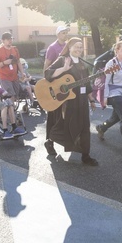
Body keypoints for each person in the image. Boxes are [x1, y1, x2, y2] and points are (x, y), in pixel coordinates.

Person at [44, 37, 98, 166]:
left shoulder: (82, 63)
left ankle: (86, 156)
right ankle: (50, 140)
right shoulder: (63, 60)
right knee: (65, 126)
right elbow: (47, 74)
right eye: (76, 46)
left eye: (80, 47)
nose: (79, 49)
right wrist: (63, 69)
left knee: (85, 127)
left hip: (81, 100)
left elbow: (87, 82)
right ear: (69, 47)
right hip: (67, 101)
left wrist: (91, 99)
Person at [42, 25, 70, 155]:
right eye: (63, 33)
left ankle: (67, 139)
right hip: (54, 84)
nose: (65, 35)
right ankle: (50, 141)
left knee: (67, 113)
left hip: (66, 85)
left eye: (66, 33)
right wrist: (46, 84)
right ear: (58, 34)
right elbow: (47, 66)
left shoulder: (68, 46)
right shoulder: (53, 48)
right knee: (54, 114)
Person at [0, 32, 25, 103]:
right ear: (3, 41)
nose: (10, 41)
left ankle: (11, 109)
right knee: (11, 95)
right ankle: (11, 112)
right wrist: (4, 63)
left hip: (14, 77)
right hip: (4, 77)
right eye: (8, 39)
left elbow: (18, 62)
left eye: (11, 39)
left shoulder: (15, 49)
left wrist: (22, 73)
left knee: (16, 95)